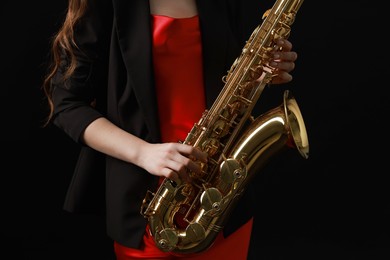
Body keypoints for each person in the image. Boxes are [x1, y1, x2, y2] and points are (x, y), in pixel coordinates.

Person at [43, 0, 299, 259]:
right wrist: (143, 153)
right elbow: (67, 103)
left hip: (222, 205)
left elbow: (225, 78)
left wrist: (261, 73)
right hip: (151, 212)